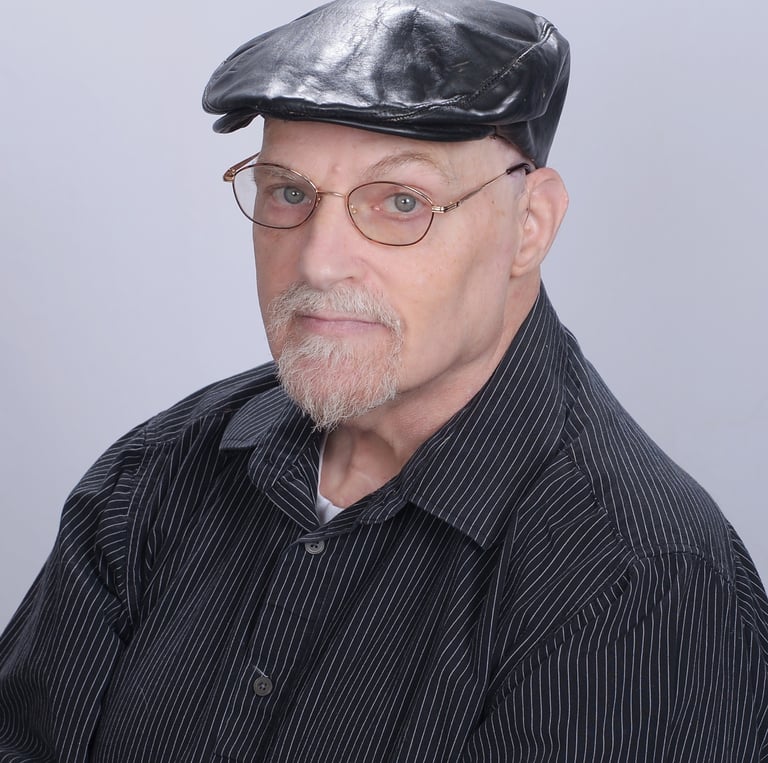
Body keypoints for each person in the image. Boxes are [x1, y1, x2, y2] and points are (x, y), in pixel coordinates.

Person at [1, 0, 767, 759]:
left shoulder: (635, 583)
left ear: (529, 225)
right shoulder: (157, 475)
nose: (318, 261)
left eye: (402, 201)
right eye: (289, 191)